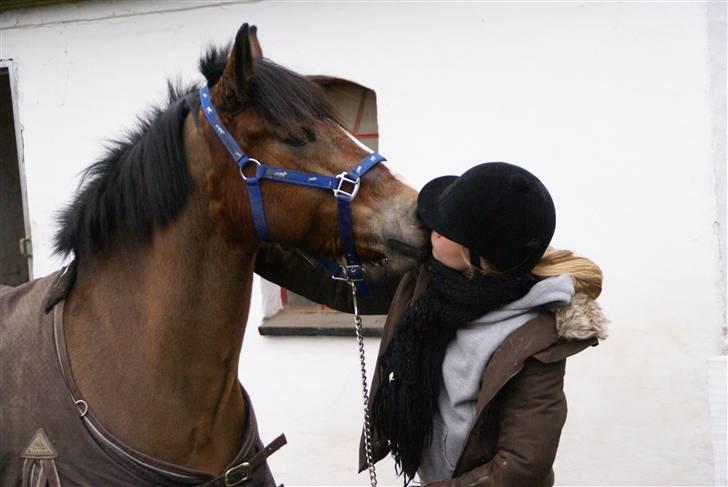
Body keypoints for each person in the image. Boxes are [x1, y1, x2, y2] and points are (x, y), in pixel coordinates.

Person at [255, 162, 607, 487]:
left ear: (478, 256)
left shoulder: (536, 340)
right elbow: (344, 287)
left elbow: (522, 465)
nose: (431, 228)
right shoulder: (426, 279)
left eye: (447, 227)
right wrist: (253, 248)